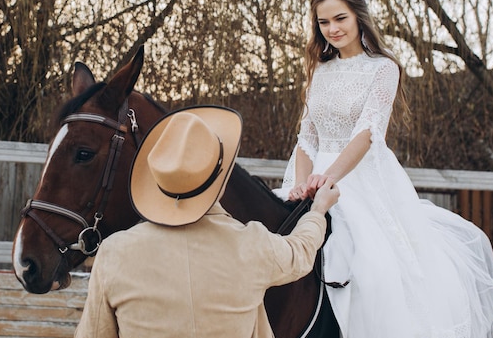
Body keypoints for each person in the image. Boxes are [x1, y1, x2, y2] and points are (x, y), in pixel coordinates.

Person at [275, 0, 493, 337]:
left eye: (340, 19)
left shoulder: (383, 68)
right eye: (323, 22)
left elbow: (368, 134)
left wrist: (328, 179)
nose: (332, 29)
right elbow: (308, 136)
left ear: (357, 17)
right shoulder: (319, 69)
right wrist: (303, 183)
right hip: (314, 177)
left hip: (361, 179)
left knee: (375, 269)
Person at [74, 105, 339, 338]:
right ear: (221, 184)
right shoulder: (251, 244)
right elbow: (301, 252)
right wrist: (317, 210)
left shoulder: (114, 254)